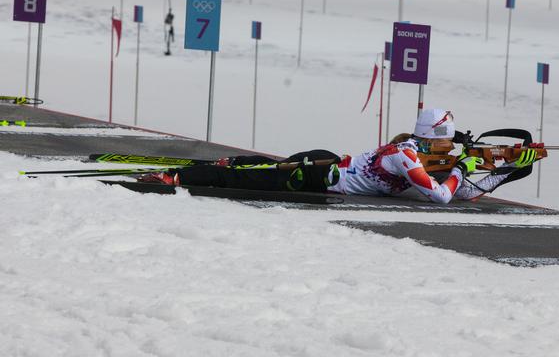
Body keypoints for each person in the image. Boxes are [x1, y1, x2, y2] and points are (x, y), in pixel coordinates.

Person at [140, 109, 537, 204]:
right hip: (319, 175)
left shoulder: (428, 159)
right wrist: (466, 166)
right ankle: (179, 177)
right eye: (448, 143)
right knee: (253, 177)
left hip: (329, 164)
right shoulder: (405, 155)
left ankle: (223, 165)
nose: (452, 150)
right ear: (432, 139)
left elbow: (463, 193)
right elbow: (442, 196)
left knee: (260, 170)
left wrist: (506, 170)